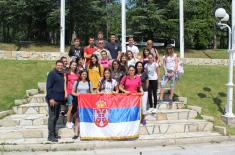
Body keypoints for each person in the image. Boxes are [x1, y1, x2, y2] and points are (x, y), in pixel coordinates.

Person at [46, 60, 65, 142]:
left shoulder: (61, 74)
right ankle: (50, 136)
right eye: (58, 65)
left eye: (61, 65)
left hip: (59, 100)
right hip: (53, 100)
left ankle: (54, 134)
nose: (60, 67)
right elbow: (49, 87)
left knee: (56, 117)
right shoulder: (52, 74)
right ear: (55, 65)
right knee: (52, 117)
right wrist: (51, 98)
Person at [72, 70, 93, 139]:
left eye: (85, 74)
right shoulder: (77, 82)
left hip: (87, 103)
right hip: (79, 102)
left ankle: (86, 132)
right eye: (83, 74)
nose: (84, 75)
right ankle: (76, 133)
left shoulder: (89, 83)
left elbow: (91, 92)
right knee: (78, 118)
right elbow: (72, 92)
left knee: (86, 117)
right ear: (80, 75)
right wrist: (78, 95)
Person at [64, 61, 79, 129]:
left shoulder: (77, 74)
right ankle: (68, 122)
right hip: (69, 92)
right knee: (70, 107)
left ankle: (72, 121)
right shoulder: (67, 74)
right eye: (73, 65)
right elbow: (65, 84)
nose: (74, 66)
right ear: (70, 65)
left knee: (75, 108)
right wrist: (66, 92)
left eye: (75, 65)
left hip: (76, 93)